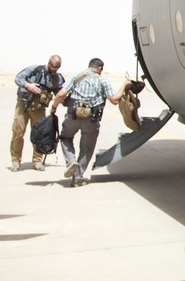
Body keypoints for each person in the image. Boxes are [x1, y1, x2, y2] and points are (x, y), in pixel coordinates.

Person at [50, 58, 129, 187]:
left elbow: (61, 94)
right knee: (86, 148)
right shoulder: (102, 80)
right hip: (91, 120)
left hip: (72, 117)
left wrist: (53, 108)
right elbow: (114, 100)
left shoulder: (77, 76)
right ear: (100, 68)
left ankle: (70, 161)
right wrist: (125, 85)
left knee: (65, 138)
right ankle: (77, 177)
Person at [9, 55, 65, 172]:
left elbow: (60, 93)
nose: (55, 69)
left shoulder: (57, 78)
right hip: (23, 105)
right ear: (48, 63)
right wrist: (28, 86)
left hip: (39, 108)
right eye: (53, 66)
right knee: (18, 133)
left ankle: (37, 161)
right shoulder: (35, 69)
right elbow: (18, 78)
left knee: (40, 135)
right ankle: (15, 161)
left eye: (57, 67)